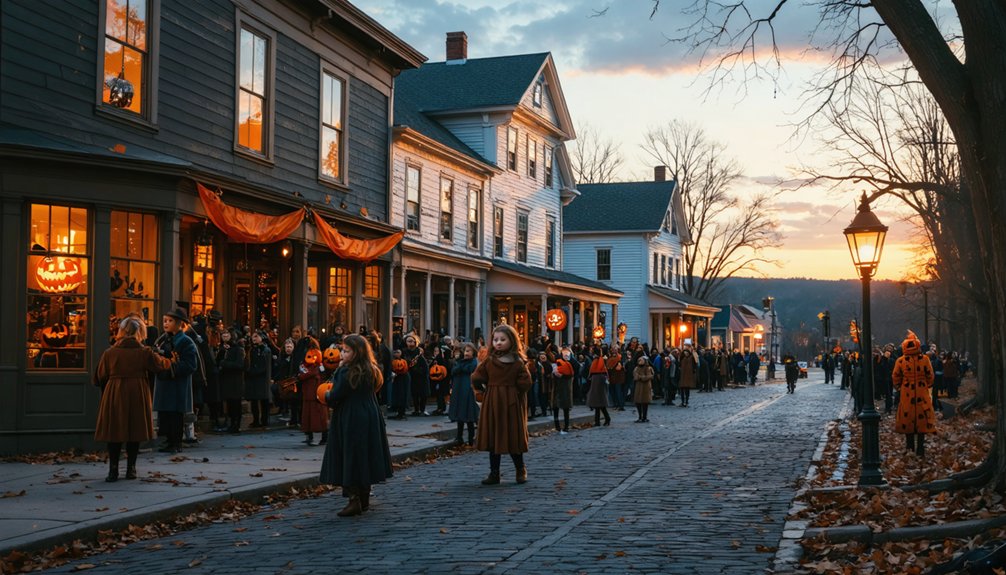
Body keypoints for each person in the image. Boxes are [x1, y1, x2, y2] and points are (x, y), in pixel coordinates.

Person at [319, 334, 393, 517]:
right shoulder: (373, 370)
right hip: (370, 414)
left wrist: (326, 396)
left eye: (346, 351)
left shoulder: (346, 372)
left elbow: (335, 395)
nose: (341, 354)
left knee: (350, 455)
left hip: (350, 416)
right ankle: (364, 497)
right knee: (364, 455)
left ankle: (354, 499)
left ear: (356, 352)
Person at [94, 316, 173, 481]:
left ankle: (113, 470)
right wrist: (171, 360)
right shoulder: (144, 352)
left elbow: (99, 376)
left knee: (114, 431)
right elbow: (160, 365)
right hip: (137, 391)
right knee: (134, 430)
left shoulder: (110, 353)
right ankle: (131, 469)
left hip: (115, 392)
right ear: (140, 332)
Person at [471, 324, 532, 485]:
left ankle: (520, 469)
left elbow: (526, 382)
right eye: (496, 339)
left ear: (512, 341)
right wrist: (480, 390)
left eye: (502, 339)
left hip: (511, 402)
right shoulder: (489, 361)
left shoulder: (517, 362)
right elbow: (476, 376)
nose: (498, 342)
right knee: (493, 437)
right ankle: (494, 473)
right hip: (492, 401)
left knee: (512, 436)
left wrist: (516, 391)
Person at [152, 307, 199, 454]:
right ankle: (168, 440)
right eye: (165, 321)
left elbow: (191, 365)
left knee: (175, 414)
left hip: (176, 383)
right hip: (164, 381)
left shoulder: (186, 341)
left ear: (179, 324)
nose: (166, 323)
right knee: (165, 414)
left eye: (170, 321)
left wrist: (171, 365)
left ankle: (176, 441)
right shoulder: (163, 339)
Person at [892, 330, 937, 456]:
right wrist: (925, 385)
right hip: (922, 393)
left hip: (907, 393)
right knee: (922, 419)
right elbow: (930, 376)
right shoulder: (925, 359)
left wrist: (900, 388)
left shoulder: (901, 361)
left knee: (908, 418)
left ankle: (909, 446)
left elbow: (895, 377)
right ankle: (921, 448)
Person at [448, 342, 480, 445]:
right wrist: (460, 367)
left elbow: (469, 369)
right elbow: (453, 371)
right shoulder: (459, 361)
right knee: (460, 415)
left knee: (469, 416)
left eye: (469, 351)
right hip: (458, 390)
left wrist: (461, 368)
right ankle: (459, 436)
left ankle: (471, 438)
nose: (466, 353)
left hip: (468, 390)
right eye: (465, 351)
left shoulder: (474, 362)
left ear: (473, 352)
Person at [298, 340, 328, 446]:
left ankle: (324, 436)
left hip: (317, 392)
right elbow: (301, 375)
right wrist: (313, 373)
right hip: (308, 392)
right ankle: (309, 435)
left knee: (320, 415)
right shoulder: (303, 365)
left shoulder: (320, 365)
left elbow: (324, 374)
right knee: (308, 415)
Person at [216, 329, 246, 433]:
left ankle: (236, 424)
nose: (224, 336)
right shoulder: (221, 349)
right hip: (225, 380)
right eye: (223, 334)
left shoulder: (237, 349)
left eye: (227, 334)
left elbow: (240, 365)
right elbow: (217, 362)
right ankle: (230, 423)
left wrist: (225, 364)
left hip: (235, 381)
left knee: (235, 404)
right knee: (229, 403)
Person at [245, 330, 272, 428]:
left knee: (263, 400)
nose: (254, 339)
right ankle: (256, 420)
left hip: (262, 378)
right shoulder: (252, 349)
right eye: (253, 337)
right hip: (253, 378)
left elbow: (265, 366)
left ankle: (264, 420)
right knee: (254, 401)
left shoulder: (266, 350)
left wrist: (254, 371)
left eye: (256, 336)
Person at [551, 347, 577, 434]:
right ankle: (557, 426)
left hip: (566, 387)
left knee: (565, 408)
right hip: (558, 387)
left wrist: (563, 376)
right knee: (556, 407)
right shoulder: (558, 361)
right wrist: (555, 374)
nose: (566, 355)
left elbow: (574, 371)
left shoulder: (572, 361)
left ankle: (566, 426)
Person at [587, 347, 611, 427]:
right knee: (599, 403)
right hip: (597, 380)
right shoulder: (598, 359)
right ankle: (605, 419)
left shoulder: (598, 360)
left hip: (598, 380)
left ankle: (599, 421)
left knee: (598, 402)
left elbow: (597, 369)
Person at [632, 355, 655, 423]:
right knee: (638, 402)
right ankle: (640, 417)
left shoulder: (648, 368)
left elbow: (649, 376)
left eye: (641, 360)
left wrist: (641, 377)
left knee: (645, 402)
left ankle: (644, 417)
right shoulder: (636, 368)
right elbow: (635, 376)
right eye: (639, 360)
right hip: (639, 386)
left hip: (646, 387)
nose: (640, 361)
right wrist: (641, 377)